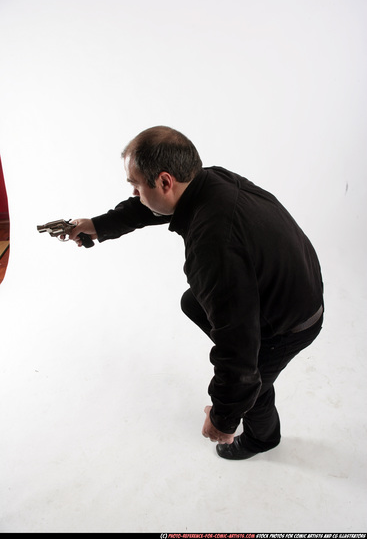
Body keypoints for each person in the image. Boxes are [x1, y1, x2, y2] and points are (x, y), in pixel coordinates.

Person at [69, 126, 324, 460]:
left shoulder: (213, 244)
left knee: (252, 378)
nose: (134, 193)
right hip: (297, 286)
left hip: (289, 324)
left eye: (135, 184)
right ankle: (253, 387)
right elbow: (153, 206)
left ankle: (263, 438)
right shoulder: (210, 180)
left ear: (164, 181)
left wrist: (223, 418)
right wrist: (98, 225)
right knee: (194, 303)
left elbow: (237, 346)